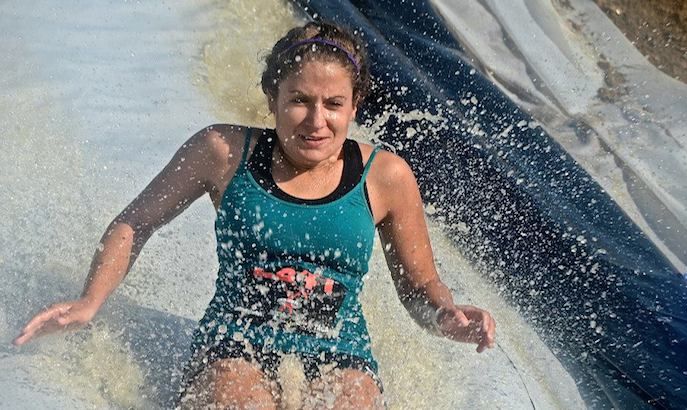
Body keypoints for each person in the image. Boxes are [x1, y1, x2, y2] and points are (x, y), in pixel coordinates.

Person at [13, 21, 496, 409]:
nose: (316, 121)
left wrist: (445, 315)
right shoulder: (222, 152)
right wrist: (89, 301)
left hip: (340, 354)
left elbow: (419, 286)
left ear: (354, 106)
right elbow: (136, 222)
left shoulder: (385, 176)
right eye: (299, 101)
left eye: (333, 104)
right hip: (235, 346)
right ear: (272, 99)